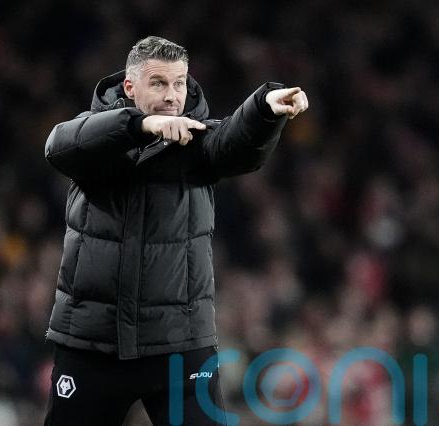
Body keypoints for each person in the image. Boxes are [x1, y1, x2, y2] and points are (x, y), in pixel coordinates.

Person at [43, 36, 308, 425]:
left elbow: (234, 142)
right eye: (159, 83)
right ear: (130, 87)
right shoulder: (95, 138)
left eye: (179, 83)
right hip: (91, 343)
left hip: (179, 344)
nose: (172, 95)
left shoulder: (195, 141)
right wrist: (141, 125)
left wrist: (264, 108)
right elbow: (59, 144)